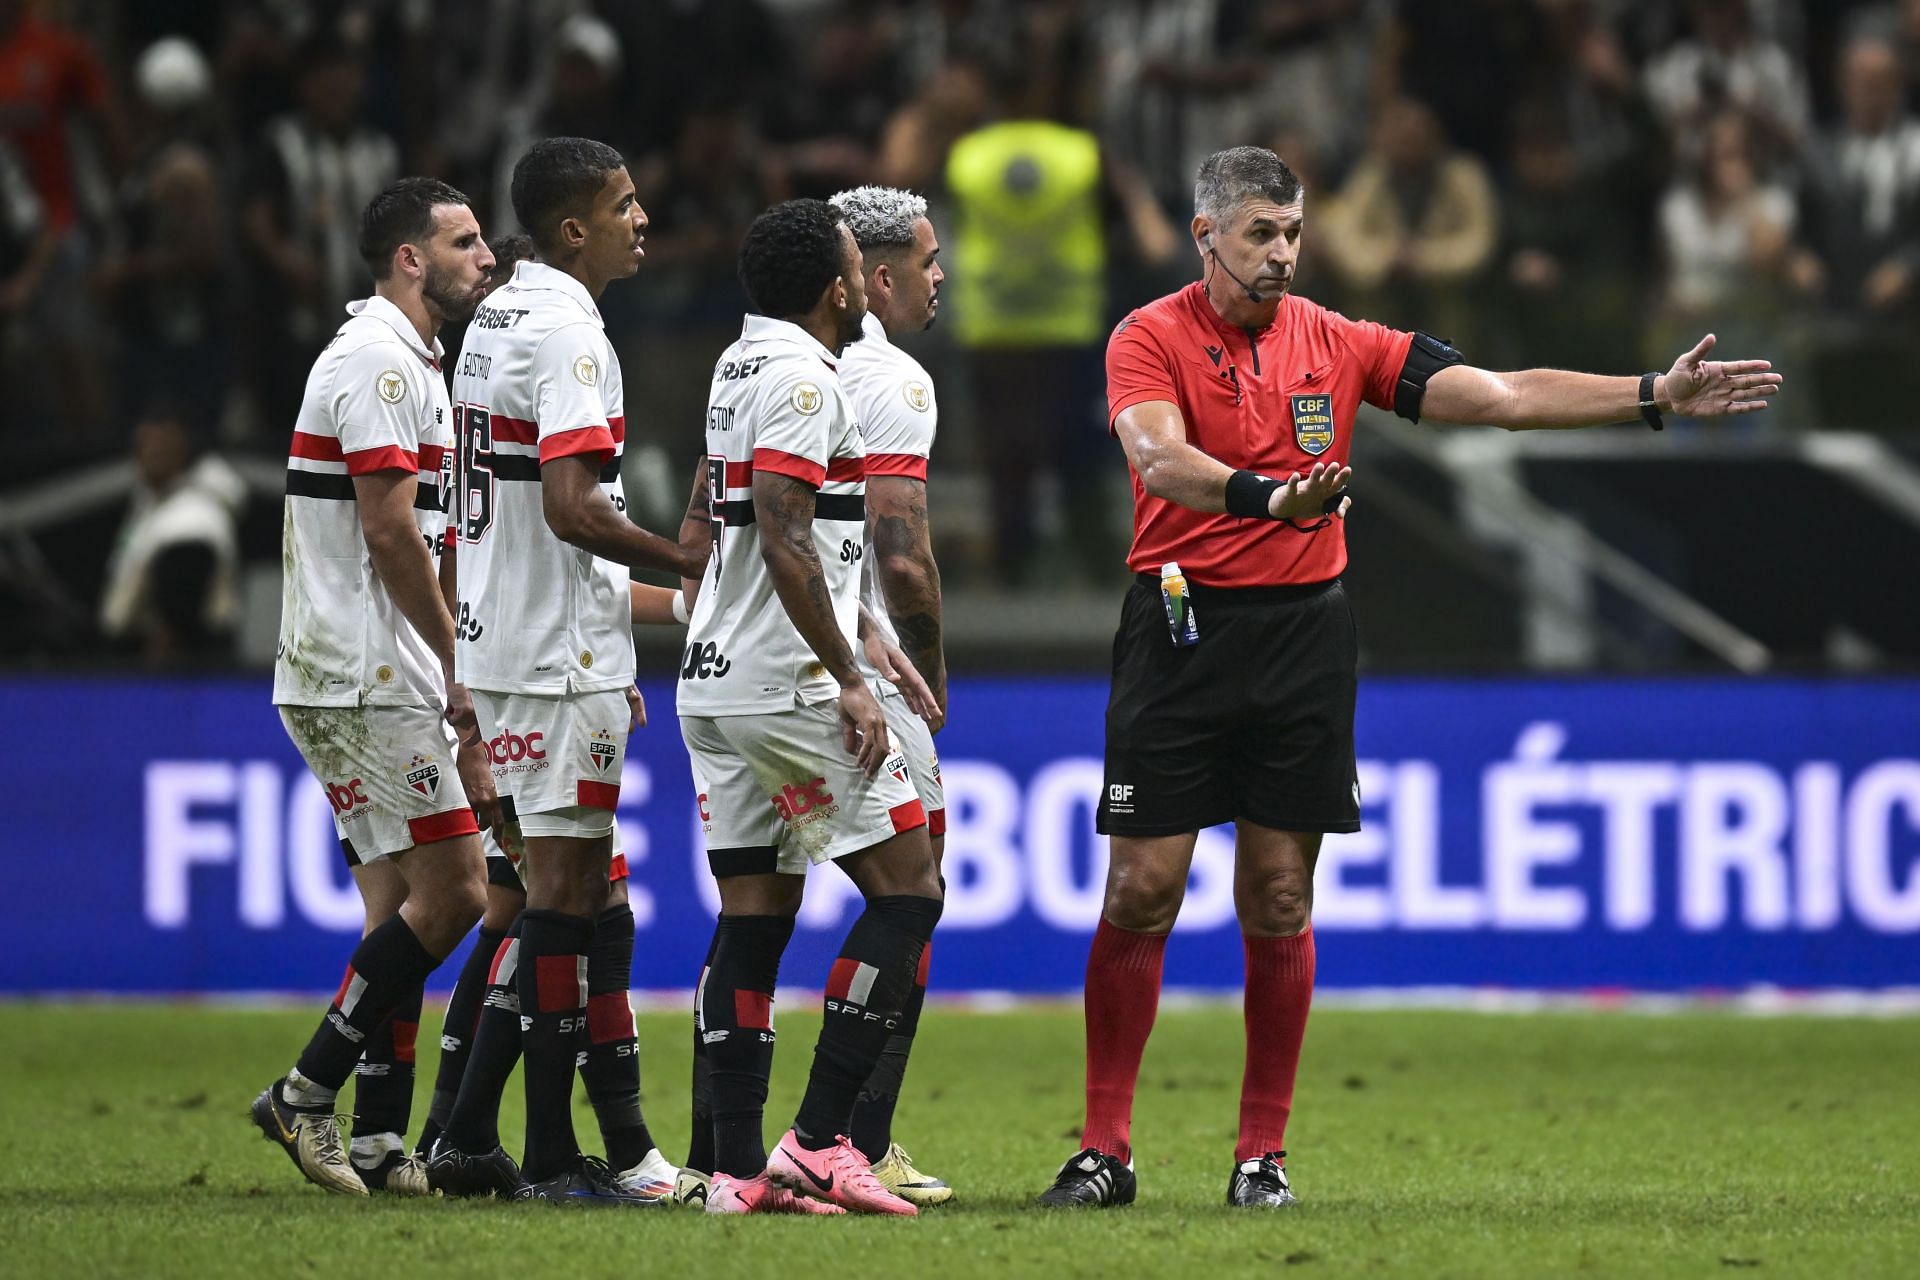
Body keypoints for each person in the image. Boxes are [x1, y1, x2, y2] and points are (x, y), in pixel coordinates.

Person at [1036, 145, 1781, 1211]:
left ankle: (1262, 1158)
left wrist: (1652, 393)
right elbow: (1157, 460)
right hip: (1180, 628)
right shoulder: (1148, 337)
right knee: (1142, 888)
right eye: (1260, 234)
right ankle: (1105, 1147)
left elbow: (1506, 395)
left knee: (1279, 891)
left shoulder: (1341, 342)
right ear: (1205, 237)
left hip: (1304, 637)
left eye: (1293, 234)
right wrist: (1267, 498)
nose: (1282, 255)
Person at [430, 136, 703, 1208]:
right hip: (553, 656)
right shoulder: (571, 335)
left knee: (569, 895)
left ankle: (474, 1133)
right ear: (575, 227)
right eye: (626, 204)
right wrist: (690, 563)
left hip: (508, 639)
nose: (644, 219)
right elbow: (574, 507)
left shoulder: (491, 317)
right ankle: (549, 1153)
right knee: (563, 897)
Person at [677, 198, 942, 1217]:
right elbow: (787, 538)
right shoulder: (799, 379)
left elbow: (771, 538)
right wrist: (848, 673)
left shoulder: (739, 365)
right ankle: (821, 1138)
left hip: (716, 675)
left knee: (755, 916)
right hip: (785, 682)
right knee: (909, 893)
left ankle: (737, 1170)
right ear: (840, 285)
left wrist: (865, 631)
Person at [250, 177, 499, 1197]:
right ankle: (306, 1091)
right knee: (461, 891)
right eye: (464, 239)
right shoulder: (379, 364)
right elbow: (391, 528)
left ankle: (380, 1136)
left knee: (397, 904)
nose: (485, 255)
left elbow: (422, 532)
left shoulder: (413, 362)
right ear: (410, 258)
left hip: (351, 666)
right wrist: (455, 669)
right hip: (365, 670)